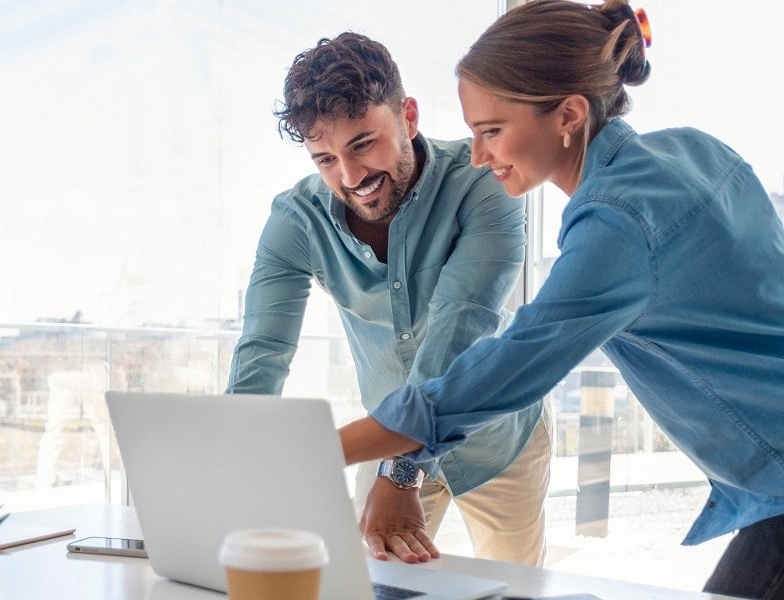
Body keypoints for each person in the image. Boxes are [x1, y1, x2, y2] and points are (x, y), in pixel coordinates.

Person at [338, 2, 784, 598]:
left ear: (569, 115)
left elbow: (511, 365)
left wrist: (326, 450)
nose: (478, 156)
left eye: (492, 131)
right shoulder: (695, 151)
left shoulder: (618, 222)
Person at [227, 31, 554, 566]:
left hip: (498, 445)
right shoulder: (296, 220)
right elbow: (262, 352)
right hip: (385, 447)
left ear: (408, 116)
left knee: (513, 587)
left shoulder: (482, 184)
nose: (351, 177)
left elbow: (458, 325)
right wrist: (230, 462)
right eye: (325, 159)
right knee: (373, 586)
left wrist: (401, 471)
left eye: (362, 144)